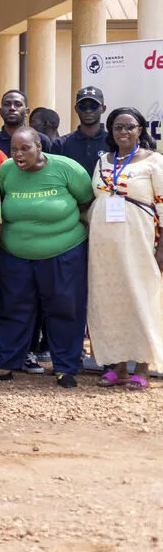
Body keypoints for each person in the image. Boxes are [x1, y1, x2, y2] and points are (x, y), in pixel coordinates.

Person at [0, 128, 93, 387]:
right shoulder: (7, 170)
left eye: (25, 149)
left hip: (63, 253)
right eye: (14, 149)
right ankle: (7, 364)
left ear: (39, 147)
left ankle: (65, 366)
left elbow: (86, 201)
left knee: (64, 309)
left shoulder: (67, 168)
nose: (18, 155)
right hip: (16, 256)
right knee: (13, 308)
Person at [87, 107, 163, 390]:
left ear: (140, 130)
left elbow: (162, 205)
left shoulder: (154, 161)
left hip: (140, 240)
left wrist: (161, 249)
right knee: (110, 301)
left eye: (129, 126)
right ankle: (117, 366)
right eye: (118, 127)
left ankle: (142, 367)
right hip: (104, 247)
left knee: (141, 298)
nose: (123, 131)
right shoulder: (103, 161)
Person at [51, 86, 109, 177]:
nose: (88, 111)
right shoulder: (60, 144)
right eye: (83, 107)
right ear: (76, 109)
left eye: (93, 106)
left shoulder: (113, 142)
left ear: (103, 108)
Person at [0, 90, 52, 155]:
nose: (12, 108)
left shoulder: (41, 140)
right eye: (7, 104)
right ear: (0, 112)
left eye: (18, 104)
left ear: (27, 112)